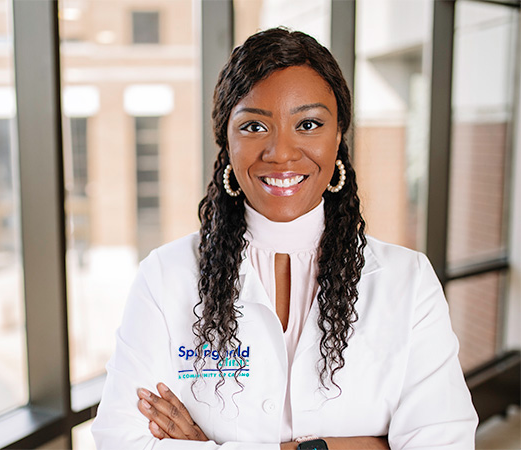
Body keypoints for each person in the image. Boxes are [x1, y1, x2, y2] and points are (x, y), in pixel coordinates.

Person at [91, 28, 478, 450]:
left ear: (337, 137)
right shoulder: (165, 277)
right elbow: (119, 440)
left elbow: (445, 443)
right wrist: (359, 445)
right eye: (255, 126)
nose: (281, 152)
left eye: (308, 124)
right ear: (227, 142)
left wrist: (207, 445)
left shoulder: (409, 281)